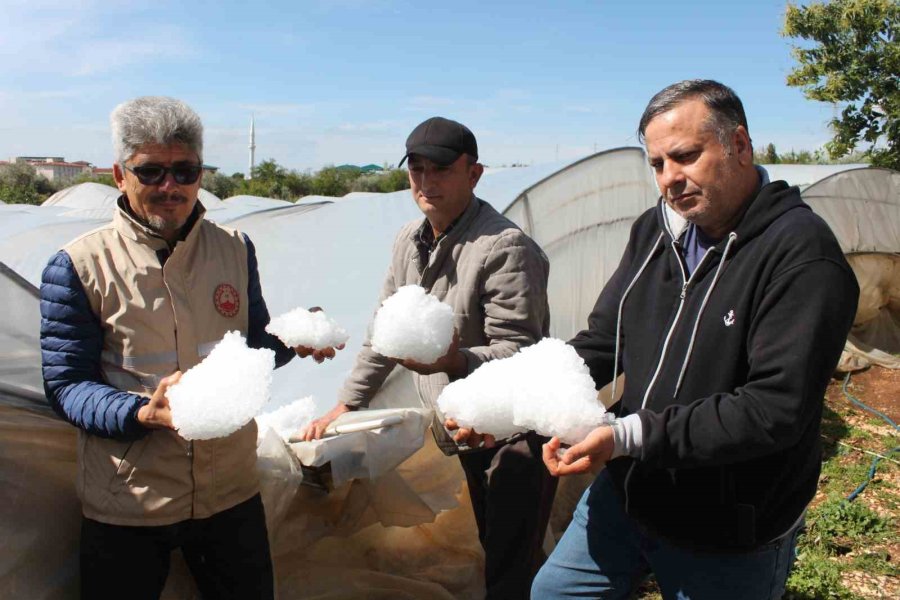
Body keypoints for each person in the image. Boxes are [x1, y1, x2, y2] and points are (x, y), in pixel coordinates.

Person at [531, 80, 859, 599]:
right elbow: (603, 341)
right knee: (556, 593)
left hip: (726, 522)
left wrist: (624, 436)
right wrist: (514, 400)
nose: (670, 179)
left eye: (685, 156)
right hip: (632, 492)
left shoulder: (800, 255)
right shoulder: (654, 233)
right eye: (657, 164)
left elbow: (774, 408)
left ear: (741, 146)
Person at [39, 96, 336, 600]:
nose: (169, 187)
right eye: (151, 172)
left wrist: (292, 338)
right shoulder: (78, 265)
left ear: (201, 173)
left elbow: (250, 347)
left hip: (230, 492)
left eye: (184, 171)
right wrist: (141, 414)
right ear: (120, 174)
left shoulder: (235, 248)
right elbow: (66, 385)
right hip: (130, 498)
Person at [303, 116, 558, 599]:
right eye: (417, 170)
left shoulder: (504, 247)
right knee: (495, 542)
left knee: (511, 555)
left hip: (514, 432)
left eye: (441, 170)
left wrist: (454, 361)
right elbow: (385, 333)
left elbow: (522, 351)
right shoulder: (409, 241)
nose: (427, 182)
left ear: (474, 174)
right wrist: (347, 404)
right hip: (464, 423)